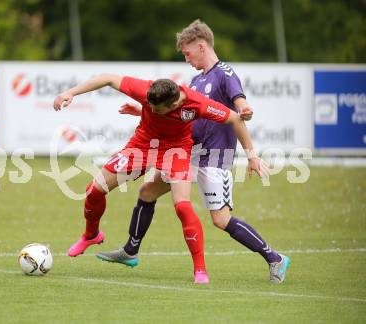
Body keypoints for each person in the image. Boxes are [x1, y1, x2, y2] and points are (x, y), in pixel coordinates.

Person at [96, 19, 291, 284]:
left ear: (201, 46)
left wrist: (250, 142)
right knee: (147, 191)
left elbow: (239, 107)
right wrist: (142, 110)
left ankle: (275, 258)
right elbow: (181, 115)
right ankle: (130, 250)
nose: (186, 59)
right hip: (189, 154)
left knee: (221, 219)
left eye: (187, 53)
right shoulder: (196, 80)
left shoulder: (225, 73)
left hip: (214, 156)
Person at [53, 72, 268, 284]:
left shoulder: (198, 104)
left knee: (183, 206)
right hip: (142, 146)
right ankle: (91, 235)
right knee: (94, 190)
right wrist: (70, 92)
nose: (151, 110)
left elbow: (235, 119)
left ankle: (200, 270)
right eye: (149, 106)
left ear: (174, 104)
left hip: (177, 152)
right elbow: (108, 78)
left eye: (156, 109)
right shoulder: (146, 90)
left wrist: (252, 156)